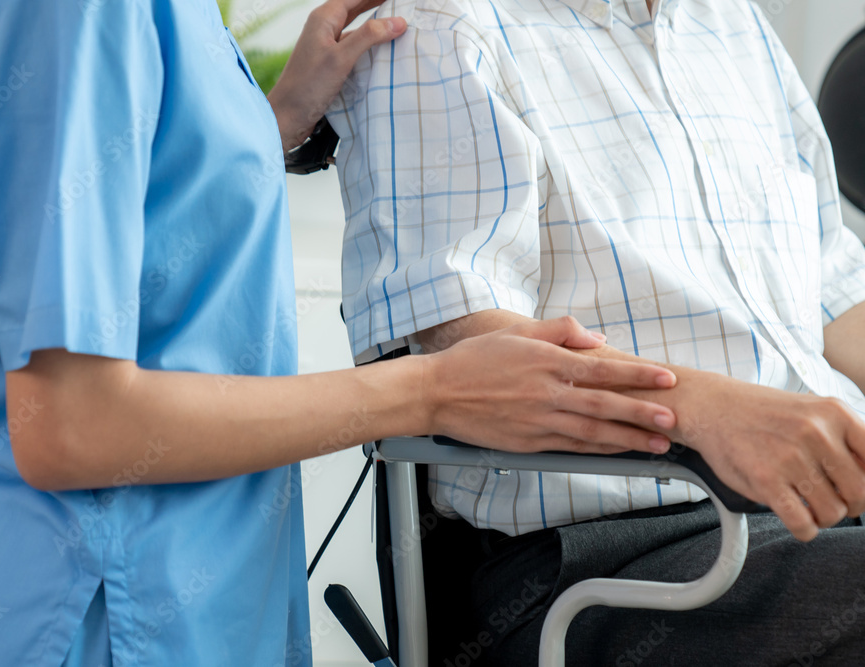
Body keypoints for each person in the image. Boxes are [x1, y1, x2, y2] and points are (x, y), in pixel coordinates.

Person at [0, 0, 686, 664]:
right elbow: (72, 426)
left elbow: (140, 207)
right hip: (92, 611)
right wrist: (431, 387)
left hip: (197, 603)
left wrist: (270, 122)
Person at [327, 0, 865, 663]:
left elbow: (835, 296)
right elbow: (471, 348)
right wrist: (704, 412)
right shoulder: (442, 24)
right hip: (606, 561)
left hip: (820, 522)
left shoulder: (734, 23)